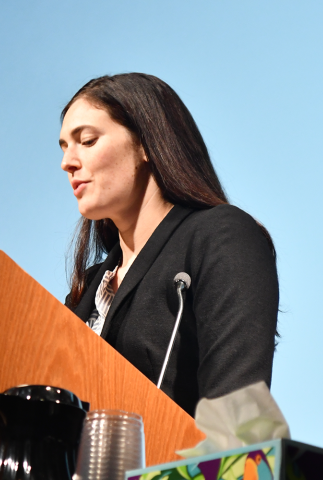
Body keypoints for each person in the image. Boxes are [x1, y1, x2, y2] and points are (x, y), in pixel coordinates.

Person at [59, 73, 279, 416]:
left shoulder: (221, 237)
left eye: (87, 141)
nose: (67, 162)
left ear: (146, 143)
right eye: (64, 147)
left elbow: (236, 416)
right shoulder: (89, 286)